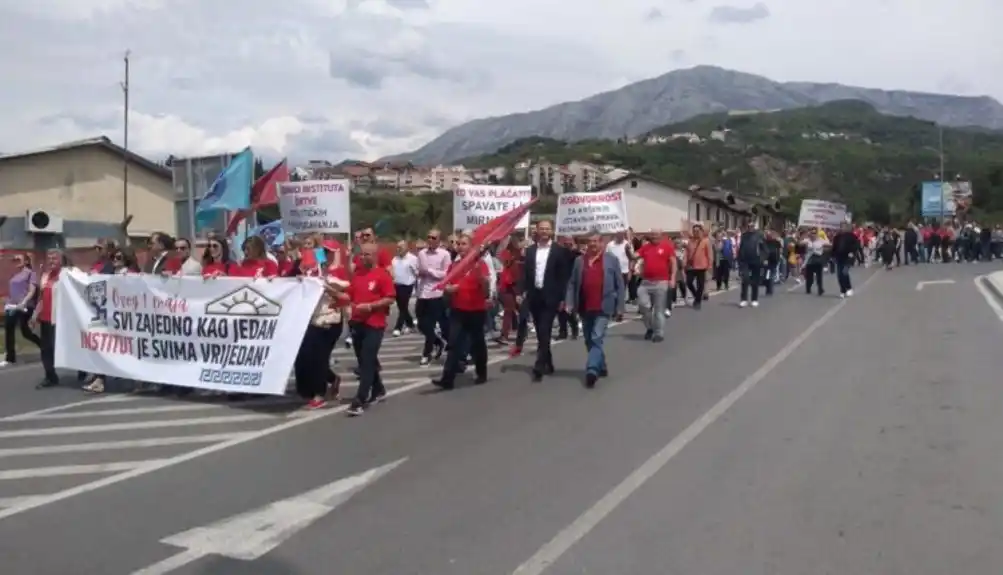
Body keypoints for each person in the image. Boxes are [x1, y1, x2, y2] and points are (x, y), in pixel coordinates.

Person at [565, 229, 624, 388]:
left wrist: (620, 307)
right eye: (590, 241)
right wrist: (569, 302)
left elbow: (620, 285)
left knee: (597, 337)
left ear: (601, 243)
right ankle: (601, 365)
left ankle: (591, 370)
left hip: (604, 306)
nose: (593, 244)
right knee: (589, 340)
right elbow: (572, 283)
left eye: (596, 241)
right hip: (585, 306)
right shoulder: (579, 261)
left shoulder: (611, 260)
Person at [341, 243, 395, 416]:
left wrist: (371, 307)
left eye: (366, 255)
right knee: (366, 361)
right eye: (361, 254)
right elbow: (349, 295)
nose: (363, 258)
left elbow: (389, 298)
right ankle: (379, 390)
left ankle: (360, 400)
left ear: (375, 256)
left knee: (366, 360)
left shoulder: (382, 275)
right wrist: (332, 292)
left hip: (375, 324)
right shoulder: (357, 275)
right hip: (357, 323)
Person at [432, 234, 490, 390]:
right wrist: (449, 289)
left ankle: (481, 372)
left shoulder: (479, 264)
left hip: (476, 310)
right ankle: (447, 378)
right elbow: (447, 285)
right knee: (454, 343)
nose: (460, 246)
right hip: (458, 310)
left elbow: (486, 291)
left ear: (471, 247)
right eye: (458, 244)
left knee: (478, 344)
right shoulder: (454, 265)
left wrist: (483, 282)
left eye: (464, 244)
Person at [519, 219, 572, 381]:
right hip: (535, 296)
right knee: (542, 333)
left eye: (547, 229)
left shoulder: (559, 251)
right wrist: (521, 292)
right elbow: (525, 274)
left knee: (544, 330)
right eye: (541, 228)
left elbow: (563, 277)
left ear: (551, 231)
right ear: (536, 231)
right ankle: (548, 362)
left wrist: (563, 298)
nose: (544, 231)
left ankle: (539, 365)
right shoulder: (530, 251)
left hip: (551, 297)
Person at [82, 248, 139, 394]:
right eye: (113, 257)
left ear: (126, 259)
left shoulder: (131, 274)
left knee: (126, 350)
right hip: (109, 318)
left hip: (125, 319)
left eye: (119, 257)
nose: (115, 260)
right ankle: (100, 379)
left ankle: (131, 380)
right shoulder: (108, 274)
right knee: (105, 348)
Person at [32, 250, 69, 389]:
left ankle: (82, 368)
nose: (51, 261)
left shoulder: (66, 275)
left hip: (60, 319)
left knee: (61, 346)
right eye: (50, 259)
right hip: (46, 319)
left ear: (61, 260)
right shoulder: (46, 276)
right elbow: (41, 297)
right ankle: (50, 375)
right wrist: (35, 314)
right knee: (46, 348)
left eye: (55, 258)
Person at [415, 229, 451, 366]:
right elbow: (419, 270)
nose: (430, 240)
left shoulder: (444, 254)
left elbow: (446, 274)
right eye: (428, 237)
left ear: (439, 240)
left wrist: (430, 271)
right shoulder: (422, 253)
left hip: (436, 293)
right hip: (422, 292)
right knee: (421, 324)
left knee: (431, 324)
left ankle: (426, 353)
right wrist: (420, 273)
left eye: (433, 238)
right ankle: (438, 341)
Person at [2, 253, 41, 367]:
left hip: (24, 306)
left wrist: (23, 302)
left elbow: (31, 290)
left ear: (26, 262)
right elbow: (13, 292)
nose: (16, 261)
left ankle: (43, 346)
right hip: (12, 306)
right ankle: (10, 358)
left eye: (19, 259)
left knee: (22, 331)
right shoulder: (16, 275)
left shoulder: (30, 273)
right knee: (14, 329)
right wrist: (7, 302)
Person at [635, 230, 675, 341]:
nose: (654, 237)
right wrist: (628, 250)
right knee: (643, 306)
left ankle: (659, 333)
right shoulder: (646, 247)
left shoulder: (667, 247)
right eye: (652, 235)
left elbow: (673, 262)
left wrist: (672, 278)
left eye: (656, 234)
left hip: (661, 282)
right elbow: (634, 256)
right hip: (646, 282)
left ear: (661, 235)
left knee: (658, 310)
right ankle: (650, 328)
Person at [391, 240, 418, 336]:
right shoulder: (395, 259)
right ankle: (410, 324)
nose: (398, 249)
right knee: (402, 307)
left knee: (403, 307)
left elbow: (418, 272)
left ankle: (398, 327)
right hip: (396, 285)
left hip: (408, 285)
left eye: (401, 247)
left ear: (406, 247)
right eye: (397, 247)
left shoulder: (413, 258)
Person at [737, 221, 765, 308]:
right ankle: (744, 299)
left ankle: (754, 299)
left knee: (755, 281)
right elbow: (741, 248)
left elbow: (764, 249)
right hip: (745, 261)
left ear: (755, 227)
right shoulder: (744, 236)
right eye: (749, 226)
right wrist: (740, 260)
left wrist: (762, 258)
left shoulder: (759, 236)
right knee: (745, 279)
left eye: (752, 226)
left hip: (756, 261)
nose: (750, 228)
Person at [684, 224, 713, 309]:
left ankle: (697, 302)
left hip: (701, 266)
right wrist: (685, 262)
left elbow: (710, 254)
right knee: (689, 282)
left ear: (701, 231)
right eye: (694, 231)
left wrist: (710, 264)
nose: (695, 232)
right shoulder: (690, 241)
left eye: (697, 231)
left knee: (700, 285)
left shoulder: (706, 241)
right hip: (691, 266)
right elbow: (687, 253)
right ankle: (697, 295)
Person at [830, 223, 859, 298]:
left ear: (847, 228)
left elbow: (856, 245)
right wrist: (832, 256)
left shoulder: (852, 236)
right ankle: (842, 290)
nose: (842, 228)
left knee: (845, 272)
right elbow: (834, 247)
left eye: (843, 227)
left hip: (848, 257)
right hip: (839, 257)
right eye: (841, 227)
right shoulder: (837, 237)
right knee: (839, 275)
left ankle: (849, 288)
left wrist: (852, 253)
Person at [803, 229, 829, 295]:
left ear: (816, 234)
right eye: (812, 233)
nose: (813, 234)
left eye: (814, 233)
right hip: (809, 260)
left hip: (818, 259)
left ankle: (820, 289)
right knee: (809, 277)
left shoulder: (821, 241)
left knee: (819, 276)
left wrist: (825, 247)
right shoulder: (807, 240)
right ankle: (808, 288)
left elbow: (829, 244)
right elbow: (799, 243)